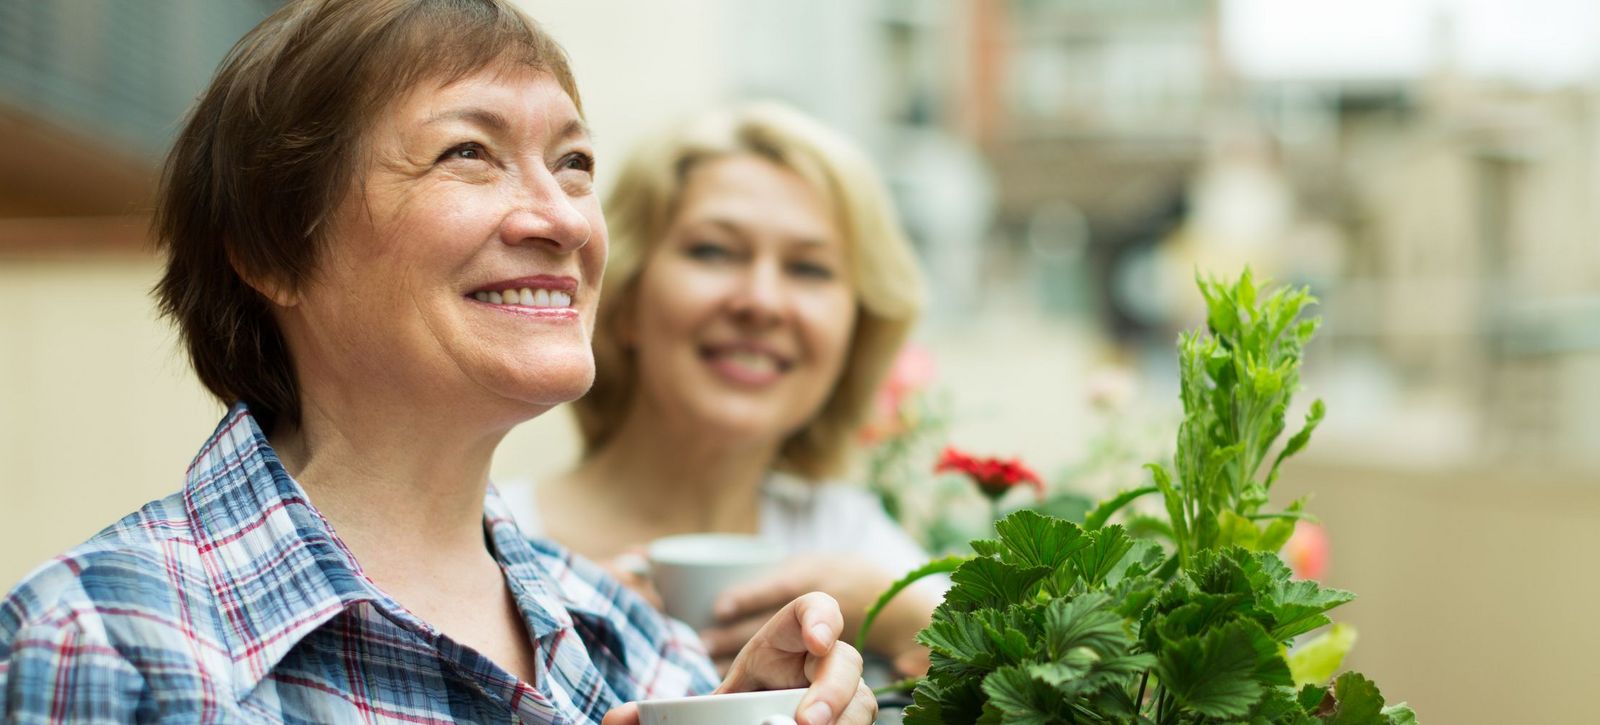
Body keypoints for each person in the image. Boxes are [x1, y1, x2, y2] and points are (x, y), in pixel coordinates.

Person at [0, 2, 873, 723]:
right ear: (271, 249)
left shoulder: (645, 648)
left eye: (573, 164)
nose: (563, 220)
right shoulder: (100, 644)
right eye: (470, 153)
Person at [510, 102, 943, 677]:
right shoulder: (497, 538)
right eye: (713, 251)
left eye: (809, 269)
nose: (761, 301)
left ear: (853, 332)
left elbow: (1056, 684)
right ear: (624, 299)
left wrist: (895, 613)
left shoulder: (849, 540)